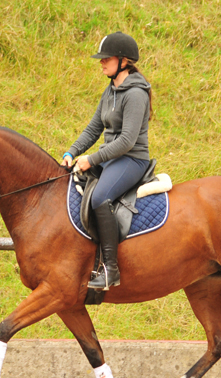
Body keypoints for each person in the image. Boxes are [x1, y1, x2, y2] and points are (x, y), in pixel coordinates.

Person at [62, 31, 153, 290]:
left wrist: (92, 158)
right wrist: (72, 152)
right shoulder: (110, 90)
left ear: (123, 61)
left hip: (131, 160)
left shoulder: (136, 94)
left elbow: (126, 141)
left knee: (101, 197)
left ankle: (111, 269)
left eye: (107, 59)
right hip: (111, 159)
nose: (101, 62)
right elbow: (93, 129)